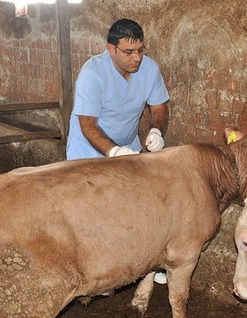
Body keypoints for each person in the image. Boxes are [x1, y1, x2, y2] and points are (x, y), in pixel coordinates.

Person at [66, 18, 169, 285]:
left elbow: (159, 108)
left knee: (138, 206)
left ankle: (146, 262)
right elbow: (87, 125)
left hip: (128, 147)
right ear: (111, 49)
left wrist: (156, 130)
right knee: (90, 212)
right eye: (129, 52)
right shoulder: (94, 73)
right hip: (89, 151)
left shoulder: (149, 69)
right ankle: (87, 271)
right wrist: (113, 153)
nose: (137, 58)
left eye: (141, 50)